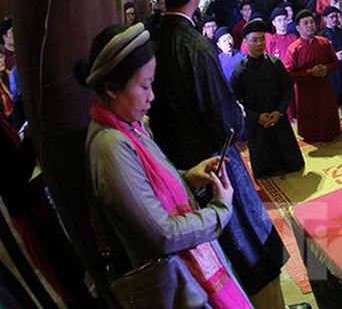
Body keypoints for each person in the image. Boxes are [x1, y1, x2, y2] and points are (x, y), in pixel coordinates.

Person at [148, 0, 286, 305]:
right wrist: (237, 116)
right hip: (214, 167)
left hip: (175, 171)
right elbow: (225, 122)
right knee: (251, 253)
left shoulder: (152, 38)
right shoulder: (195, 46)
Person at [75, 23, 250, 306]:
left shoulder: (129, 126)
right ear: (111, 89)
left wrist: (187, 177)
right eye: (144, 86)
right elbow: (163, 234)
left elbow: (146, 190)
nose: (151, 96)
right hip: (171, 284)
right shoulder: (110, 146)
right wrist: (220, 210)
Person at [231, 20, 306, 178]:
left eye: (262, 39)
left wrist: (279, 111)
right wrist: (256, 117)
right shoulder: (239, 71)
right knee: (264, 169)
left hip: (278, 117)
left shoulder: (275, 63)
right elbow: (236, 102)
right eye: (254, 40)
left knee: (293, 164)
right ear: (245, 42)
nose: (259, 44)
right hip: (256, 123)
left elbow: (287, 89)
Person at [283, 9, 341, 142]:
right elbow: (288, 73)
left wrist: (326, 68)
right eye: (305, 23)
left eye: (312, 22)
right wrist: (310, 72)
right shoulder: (294, 48)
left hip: (324, 86)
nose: (310, 25)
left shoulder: (324, 43)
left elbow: (336, 63)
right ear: (298, 28)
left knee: (327, 111)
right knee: (310, 115)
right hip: (305, 90)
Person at [318, 6, 342, 104]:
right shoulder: (321, 36)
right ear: (325, 19)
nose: (334, 19)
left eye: (336, 16)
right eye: (331, 17)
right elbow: (320, 54)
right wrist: (334, 55)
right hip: (331, 70)